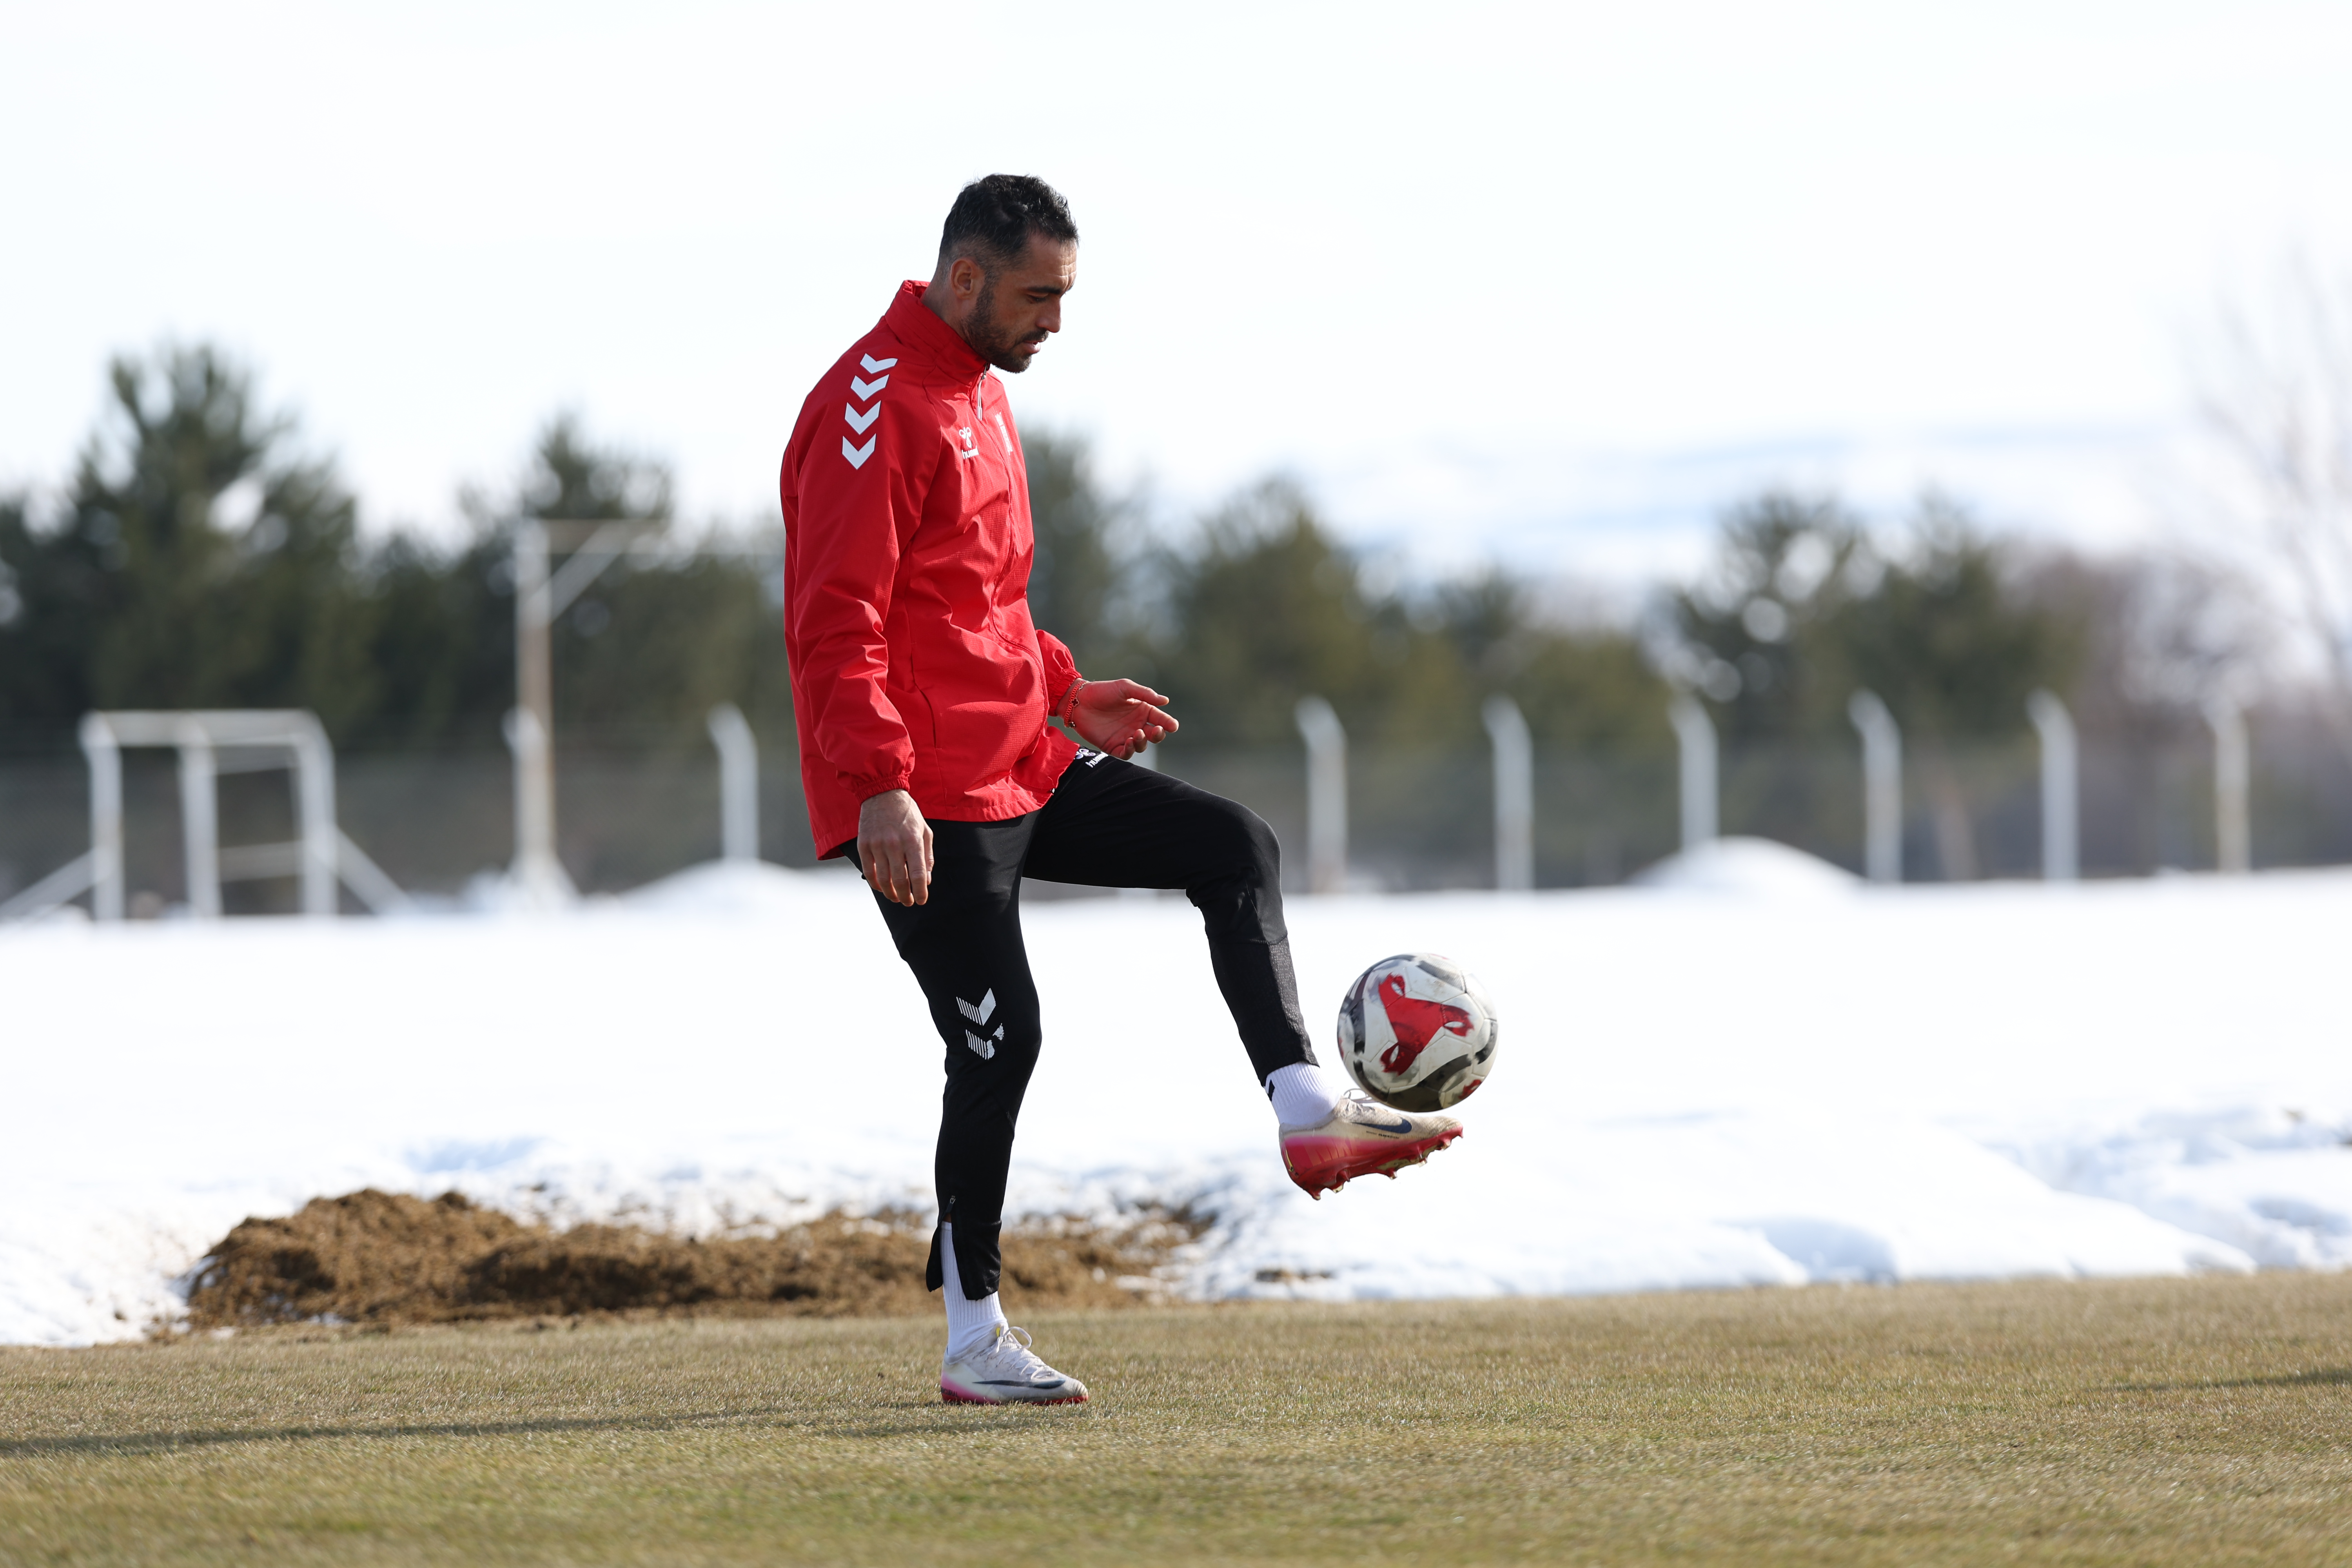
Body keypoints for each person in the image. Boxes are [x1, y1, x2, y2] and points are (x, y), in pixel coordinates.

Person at [779, 174, 1461, 1406]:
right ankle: (973, 1336)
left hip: (1019, 757)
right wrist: (880, 786)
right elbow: (841, 623)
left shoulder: (983, 393)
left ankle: (1309, 1106)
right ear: (970, 276)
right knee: (1000, 1039)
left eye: (1067, 297)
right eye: (1041, 295)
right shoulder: (870, 405)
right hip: (922, 798)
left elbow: (976, 602)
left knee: (1231, 844)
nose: (1056, 321)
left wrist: (1063, 688)